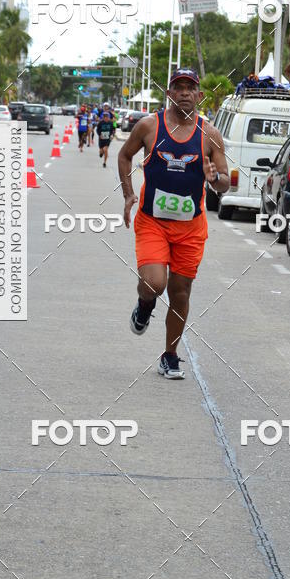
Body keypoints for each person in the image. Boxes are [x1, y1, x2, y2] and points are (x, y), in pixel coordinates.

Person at [118, 69, 229, 380]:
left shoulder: (210, 135)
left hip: (191, 228)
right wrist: (128, 194)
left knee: (180, 292)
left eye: (189, 88)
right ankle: (145, 303)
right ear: (168, 93)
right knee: (155, 282)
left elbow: (224, 183)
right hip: (153, 221)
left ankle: (170, 355)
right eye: (178, 88)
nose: (184, 93)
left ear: (199, 96)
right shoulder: (149, 126)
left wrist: (214, 179)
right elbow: (124, 156)